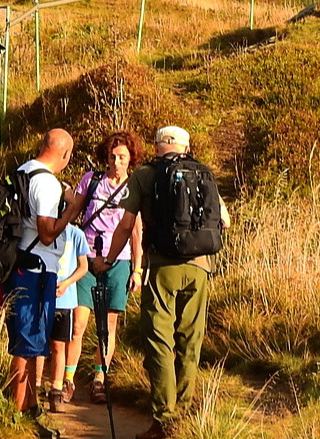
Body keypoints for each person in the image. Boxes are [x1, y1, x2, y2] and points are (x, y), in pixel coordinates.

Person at [104, 126, 229, 439]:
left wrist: (108, 260)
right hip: (200, 268)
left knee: (160, 341)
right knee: (190, 341)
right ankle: (185, 415)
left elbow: (126, 226)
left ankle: (164, 419)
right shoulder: (202, 172)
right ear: (186, 147)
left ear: (158, 146)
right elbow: (225, 220)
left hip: (162, 268)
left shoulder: (144, 175)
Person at [3, 129, 84, 416]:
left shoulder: (22, 172)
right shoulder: (48, 184)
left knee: (27, 342)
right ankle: (20, 412)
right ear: (65, 154)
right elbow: (47, 234)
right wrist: (72, 210)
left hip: (18, 265)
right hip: (36, 269)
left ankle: (30, 406)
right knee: (27, 344)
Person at [72, 131, 144, 405]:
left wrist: (137, 270)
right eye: (113, 156)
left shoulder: (133, 188)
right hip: (86, 260)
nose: (116, 162)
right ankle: (67, 380)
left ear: (131, 159)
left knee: (108, 326)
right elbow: (74, 210)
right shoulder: (91, 182)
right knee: (78, 324)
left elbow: (137, 233)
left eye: (122, 157)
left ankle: (99, 379)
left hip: (119, 262)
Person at [46, 221, 92, 410]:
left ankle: (58, 387)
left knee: (59, 343)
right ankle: (38, 385)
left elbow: (84, 266)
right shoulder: (42, 229)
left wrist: (66, 284)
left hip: (65, 299)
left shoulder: (76, 234)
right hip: (43, 294)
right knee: (41, 344)